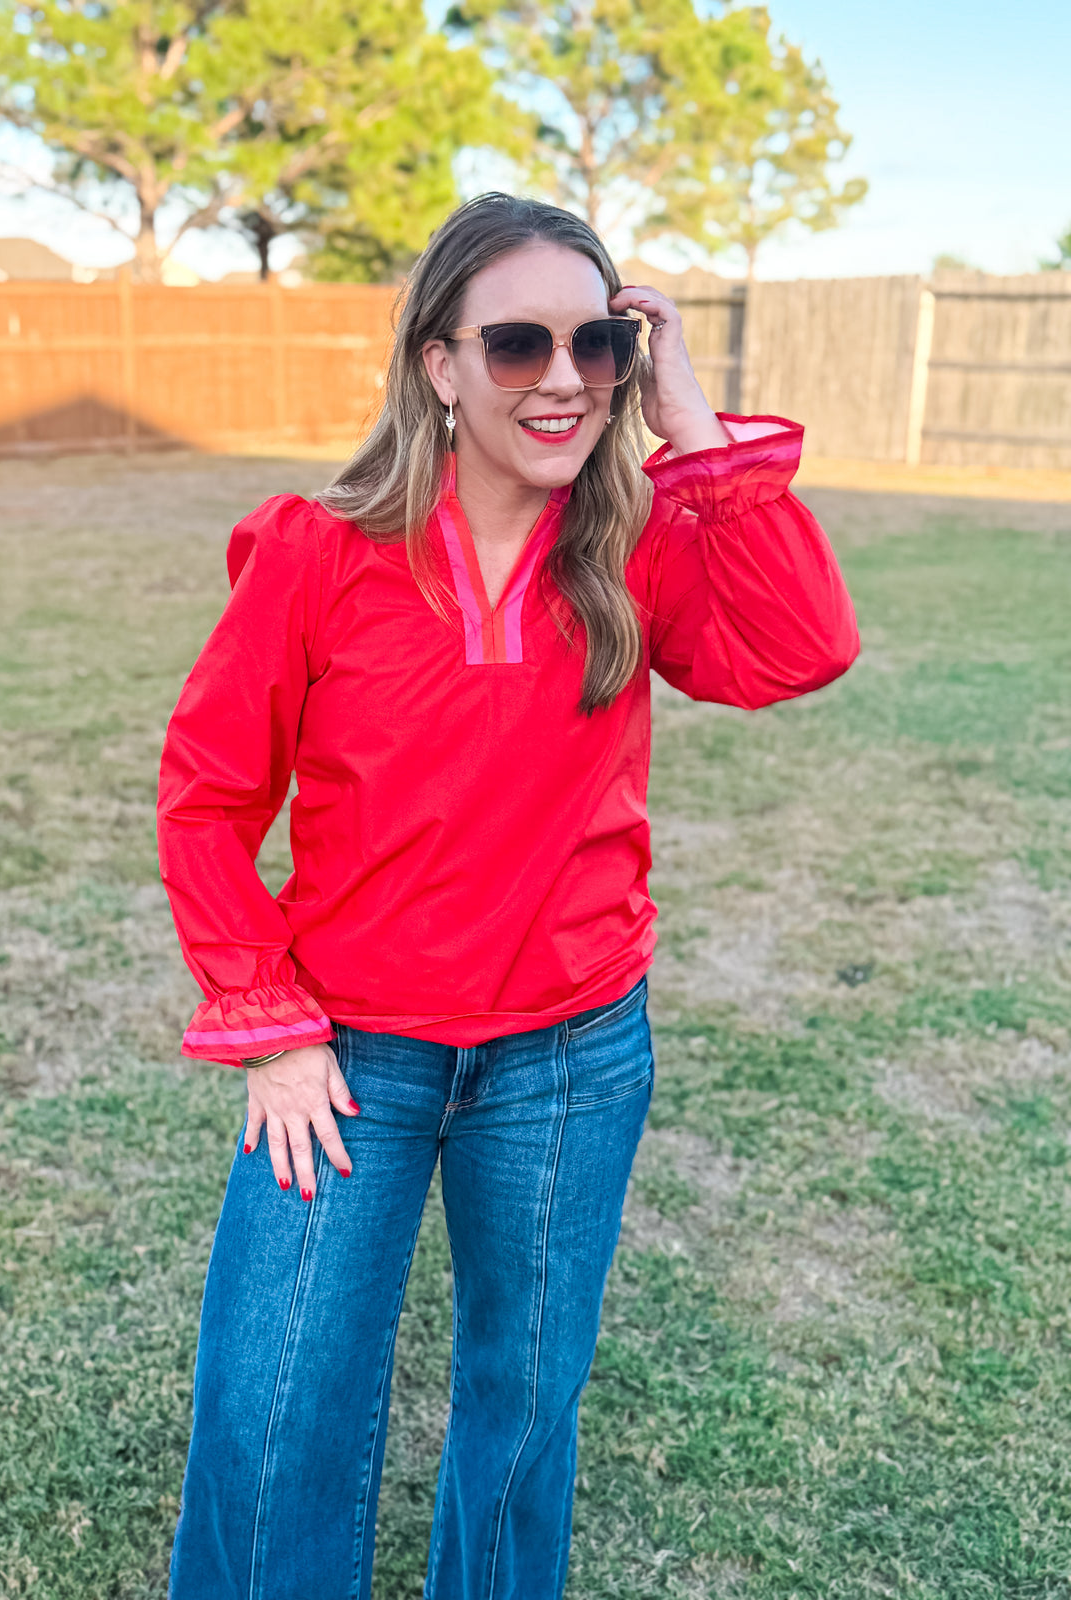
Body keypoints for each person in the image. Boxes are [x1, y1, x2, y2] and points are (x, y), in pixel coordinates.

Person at [156, 191, 859, 1600]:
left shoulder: (635, 549)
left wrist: (690, 425)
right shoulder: (315, 552)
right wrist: (269, 1023)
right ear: (439, 363)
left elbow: (799, 649)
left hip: (571, 1054)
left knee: (524, 1412)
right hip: (349, 1056)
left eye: (598, 343)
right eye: (519, 343)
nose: (563, 379)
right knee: (272, 1412)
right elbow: (209, 798)